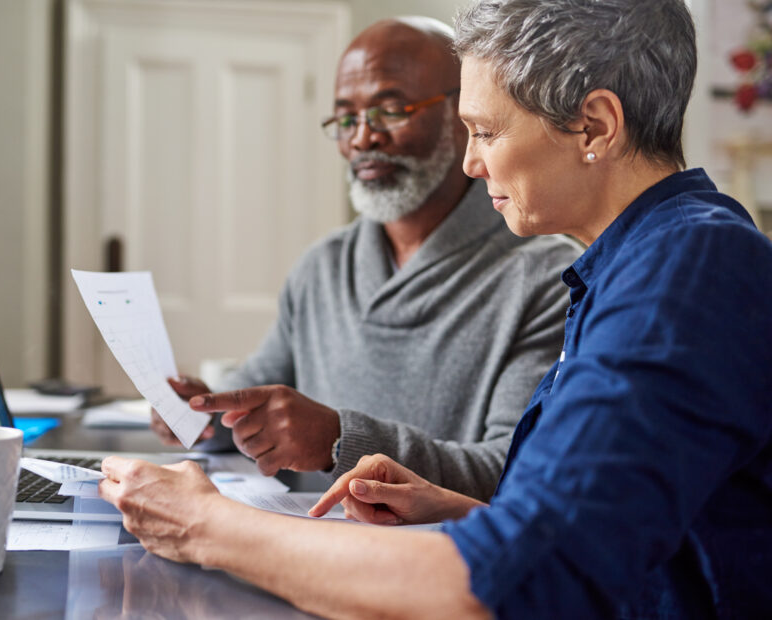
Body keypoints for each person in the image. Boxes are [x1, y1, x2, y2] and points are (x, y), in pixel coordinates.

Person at [97, 0, 772, 616]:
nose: (472, 163)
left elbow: (515, 579)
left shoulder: (684, 272)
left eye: (483, 131)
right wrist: (454, 506)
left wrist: (206, 526)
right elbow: (604, 525)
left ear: (594, 126)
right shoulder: (631, 264)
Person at [151, 17, 581, 501]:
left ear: (464, 116)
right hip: (297, 546)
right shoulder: (322, 267)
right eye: (346, 118)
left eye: (390, 110)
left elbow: (513, 467)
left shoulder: (548, 278)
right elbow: (255, 404)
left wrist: (340, 441)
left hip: (428, 565)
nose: (361, 139)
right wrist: (203, 411)